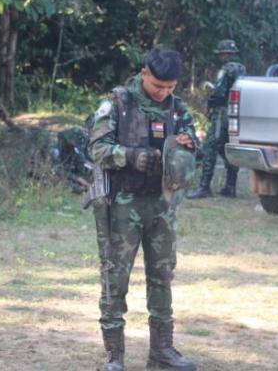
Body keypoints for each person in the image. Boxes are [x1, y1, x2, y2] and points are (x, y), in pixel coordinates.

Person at [88, 47, 199, 371]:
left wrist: (188, 146)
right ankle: (114, 356)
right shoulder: (118, 103)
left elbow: (193, 145)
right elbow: (97, 148)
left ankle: (162, 351)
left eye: (170, 87)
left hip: (162, 204)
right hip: (123, 204)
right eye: (158, 86)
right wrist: (131, 156)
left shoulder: (177, 108)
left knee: (162, 277)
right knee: (115, 278)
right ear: (144, 73)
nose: (163, 92)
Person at [187, 39, 247, 199]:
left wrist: (209, 103)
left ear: (225, 54)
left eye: (221, 54)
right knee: (226, 148)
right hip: (236, 114)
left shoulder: (226, 69)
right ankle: (230, 186)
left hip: (222, 114)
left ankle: (204, 187)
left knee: (210, 146)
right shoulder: (242, 69)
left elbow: (219, 92)